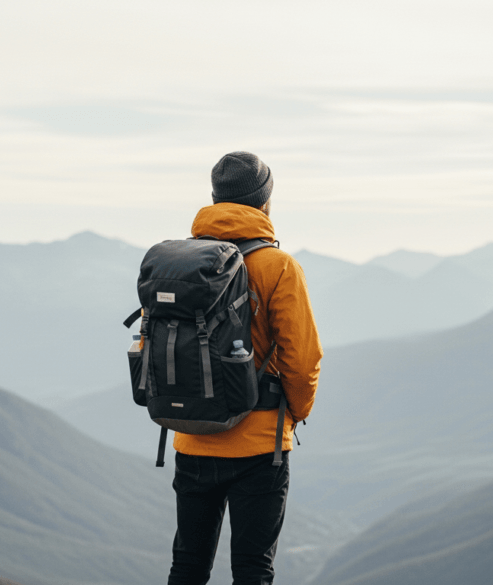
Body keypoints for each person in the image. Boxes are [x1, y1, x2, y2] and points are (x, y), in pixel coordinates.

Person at [168, 151, 323, 585]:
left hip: (193, 435)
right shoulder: (278, 267)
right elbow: (302, 357)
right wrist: (295, 412)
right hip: (260, 443)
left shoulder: (180, 265)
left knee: (188, 565)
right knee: (253, 568)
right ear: (265, 203)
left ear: (216, 198)